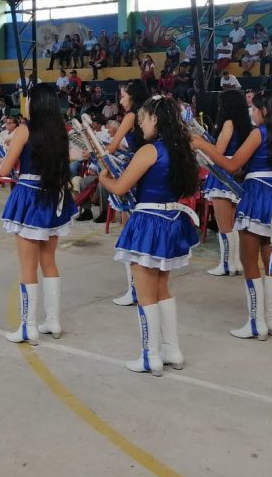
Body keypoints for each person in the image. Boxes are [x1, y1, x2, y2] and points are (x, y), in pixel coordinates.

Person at [98, 96, 199, 374]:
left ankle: (149, 355)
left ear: (155, 119)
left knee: (145, 294)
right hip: (172, 220)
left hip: (148, 222)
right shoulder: (180, 149)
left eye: (143, 118)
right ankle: (172, 350)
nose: (140, 123)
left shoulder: (150, 151)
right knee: (162, 289)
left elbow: (120, 188)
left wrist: (102, 177)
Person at [198, 90, 272, 341]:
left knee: (249, 260)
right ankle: (270, 320)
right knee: (270, 260)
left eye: (254, 109)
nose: (251, 113)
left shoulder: (258, 133)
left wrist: (201, 145)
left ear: (263, 111)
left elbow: (231, 165)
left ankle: (256, 322)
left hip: (256, 196)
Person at [0, 83, 76, 343]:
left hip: (30, 198)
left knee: (28, 267)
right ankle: (52, 321)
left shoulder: (24, 130)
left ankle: (27, 326)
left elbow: (4, 169)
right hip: (53, 196)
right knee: (49, 262)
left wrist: (6, 155)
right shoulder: (60, 133)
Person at [102, 80, 150, 299]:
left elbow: (111, 146)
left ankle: (134, 289)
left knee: (129, 229)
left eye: (122, 95)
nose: (120, 99)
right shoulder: (147, 115)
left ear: (132, 96)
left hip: (133, 172)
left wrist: (93, 148)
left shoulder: (131, 116)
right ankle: (139, 286)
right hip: (145, 171)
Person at [199, 90, 250, 276]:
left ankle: (226, 264)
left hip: (222, 173)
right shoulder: (245, 124)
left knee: (224, 225)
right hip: (236, 172)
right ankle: (235, 262)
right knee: (233, 224)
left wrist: (202, 144)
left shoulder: (228, 123)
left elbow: (218, 151)